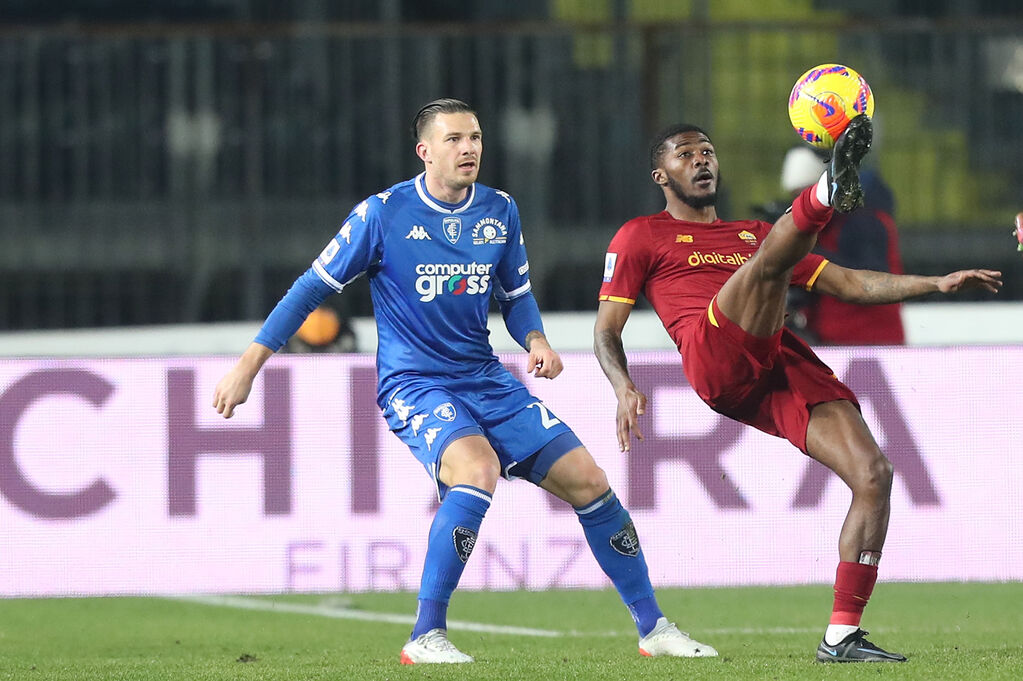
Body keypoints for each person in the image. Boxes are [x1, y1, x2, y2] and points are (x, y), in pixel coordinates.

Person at [213, 98, 717, 664]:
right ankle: (425, 635)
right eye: (453, 139)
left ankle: (653, 627)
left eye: (474, 136)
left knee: (590, 481)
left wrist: (536, 341)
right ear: (424, 151)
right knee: (476, 470)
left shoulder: (500, 210)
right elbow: (311, 288)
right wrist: (247, 365)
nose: (469, 148)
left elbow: (516, 297)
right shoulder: (383, 214)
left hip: (486, 379)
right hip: (416, 382)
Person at [593, 115, 1002, 663]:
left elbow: (850, 282)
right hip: (713, 354)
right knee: (765, 268)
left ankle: (842, 636)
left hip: (775, 362)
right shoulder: (642, 235)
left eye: (707, 151)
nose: (701, 160)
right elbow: (605, 330)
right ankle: (827, 190)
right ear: (660, 175)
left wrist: (935, 282)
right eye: (685, 154)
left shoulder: (754, 235)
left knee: (874, 475)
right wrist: (623, 386)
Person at [780, 146, 905, 344]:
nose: (801, 204)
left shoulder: (863, 222)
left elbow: (872, 277)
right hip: (837, 344)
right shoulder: (825, 229)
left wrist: (807, 258)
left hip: (868, 344)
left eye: (805, 195)